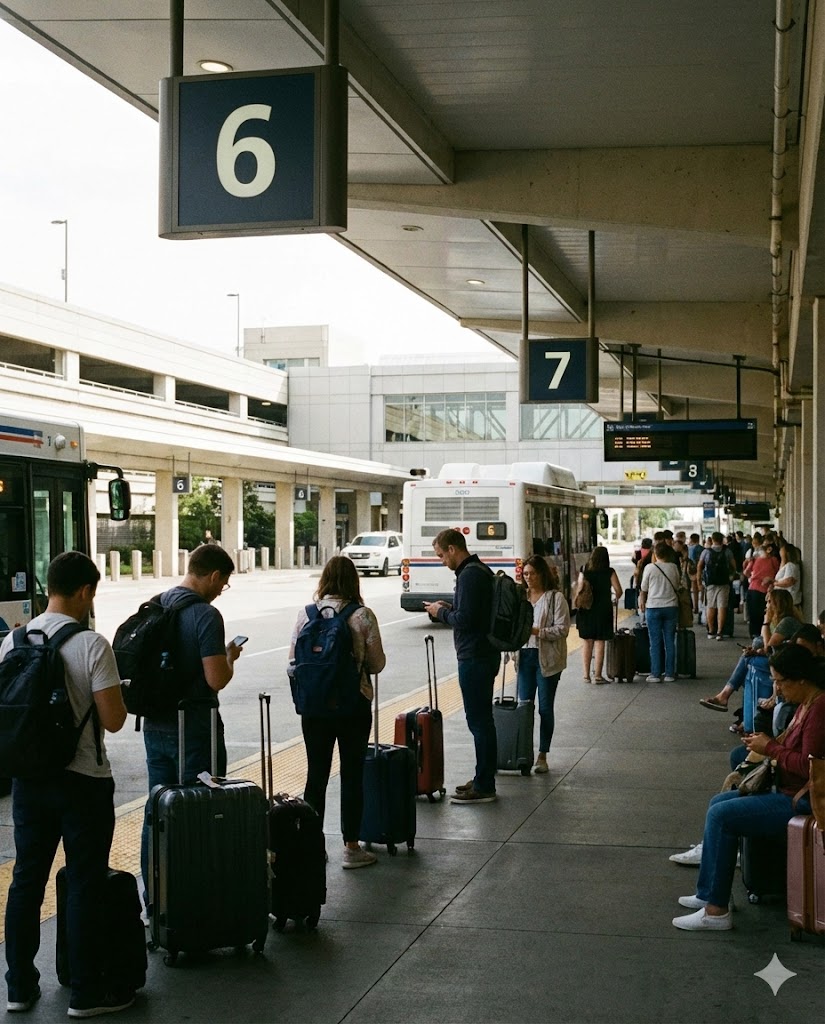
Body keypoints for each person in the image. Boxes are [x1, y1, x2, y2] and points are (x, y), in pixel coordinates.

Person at [0, 552, 131, 1017]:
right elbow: (114, 721)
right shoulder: (93, 645)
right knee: (83, 883)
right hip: (83, 782)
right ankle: (86, 992)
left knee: (25, 881)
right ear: (84, 591)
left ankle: (18, 987)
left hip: (29, 781)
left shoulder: (13, 642)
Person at [672, 644, 825, 931]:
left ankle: (716, 912)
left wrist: (770, 748)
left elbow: (809, 766)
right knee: (719, 802)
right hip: (789, 792)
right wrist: (766, 743)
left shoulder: (818, 710)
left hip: (802, 800)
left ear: (801, 679)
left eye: (780, 681)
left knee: (722, 816)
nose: (777, 688)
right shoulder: (807, 704)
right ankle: (710, 893)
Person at [139, 544, 242, 909]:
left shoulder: (158, 603)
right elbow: (215, 678)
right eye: (223, 583)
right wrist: (229, 657)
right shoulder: (206, 616)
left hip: (155, 726)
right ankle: (194, 901)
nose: (220, 591)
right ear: (214, 576)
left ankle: (157, 900)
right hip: (195, 728)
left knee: (158, 810)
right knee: (199, 810)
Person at [289, 556, 385, 868]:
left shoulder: (305, 615)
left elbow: (292, 666)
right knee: (352, 774)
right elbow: (377, 664)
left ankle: (311, 846)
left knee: (316, 775)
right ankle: (351, 847)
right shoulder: (362, 615)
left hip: (315, 709)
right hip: (353, 706)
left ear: (325, 580)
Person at [424, 529, 500, 804]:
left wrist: (440, 612)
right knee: (483, 721)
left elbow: (466, 619)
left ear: (454, 549)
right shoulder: (480, 570)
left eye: (442, 555)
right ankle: (483, 776)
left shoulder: (469, 575)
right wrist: (450, 605)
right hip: (485, 654)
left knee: (478, 722)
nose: (442, 560)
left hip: (474, 657)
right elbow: (474, 612)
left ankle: (485, 784)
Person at [516, 557, 570, 774]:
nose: (529, 578)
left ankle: (542, 754)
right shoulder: (522, 598)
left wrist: (537, 632)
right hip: (524, 657)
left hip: (547, 659)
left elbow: (563, 629)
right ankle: (523, 754)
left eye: (533, 573)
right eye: (525, 574)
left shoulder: (555, 598)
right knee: (524, 706)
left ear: (542, 574)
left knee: (545, 708)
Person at [576, 546, 622, 683]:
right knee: (600, 641)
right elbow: (619, 590)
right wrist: (614, 598)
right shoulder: (609, 572)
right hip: (603, 609)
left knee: (587, 641)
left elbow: (579, 589)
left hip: (586, 609)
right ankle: (598, 676)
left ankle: (586, 675)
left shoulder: (584, 570)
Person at [638, 541, 680, 683]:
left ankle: (655, 674)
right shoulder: (673, 567)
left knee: (655, 642)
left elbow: (643, 588)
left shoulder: (650, 568)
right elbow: (678, 584)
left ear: (655, 554)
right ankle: (669, 674)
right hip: (671, 607)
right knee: (669, 641)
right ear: (668, 554)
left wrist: (642, 601)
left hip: (653, 607)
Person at [696, 531, 737, 640]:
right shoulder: (727, 551)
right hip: (724, 583)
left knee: (710, 606)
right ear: (722, 539)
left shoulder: (706, 552)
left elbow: (699, 567)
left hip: (710, 583)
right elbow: (734, 566)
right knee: (722, 607)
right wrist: (731, 576)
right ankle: (720, 632)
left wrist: (699, 581)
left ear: (712, 540)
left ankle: (711, 631)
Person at [743, 538, 780, 639]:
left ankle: (754, 634)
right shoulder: (774, 560)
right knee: (763, 613)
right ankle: (762, 634)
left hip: (752, 588)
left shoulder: (755, 560)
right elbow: (777, 574)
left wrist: (752, 577)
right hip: (765, 589)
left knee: (753, 614)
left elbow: (746, 572)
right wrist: (770, 579)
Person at [770, 541, 802, 609]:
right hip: (783, 600)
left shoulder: (791, 566)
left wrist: (775, 583)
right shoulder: (787, 565)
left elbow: (789, 581)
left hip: (789, 600)